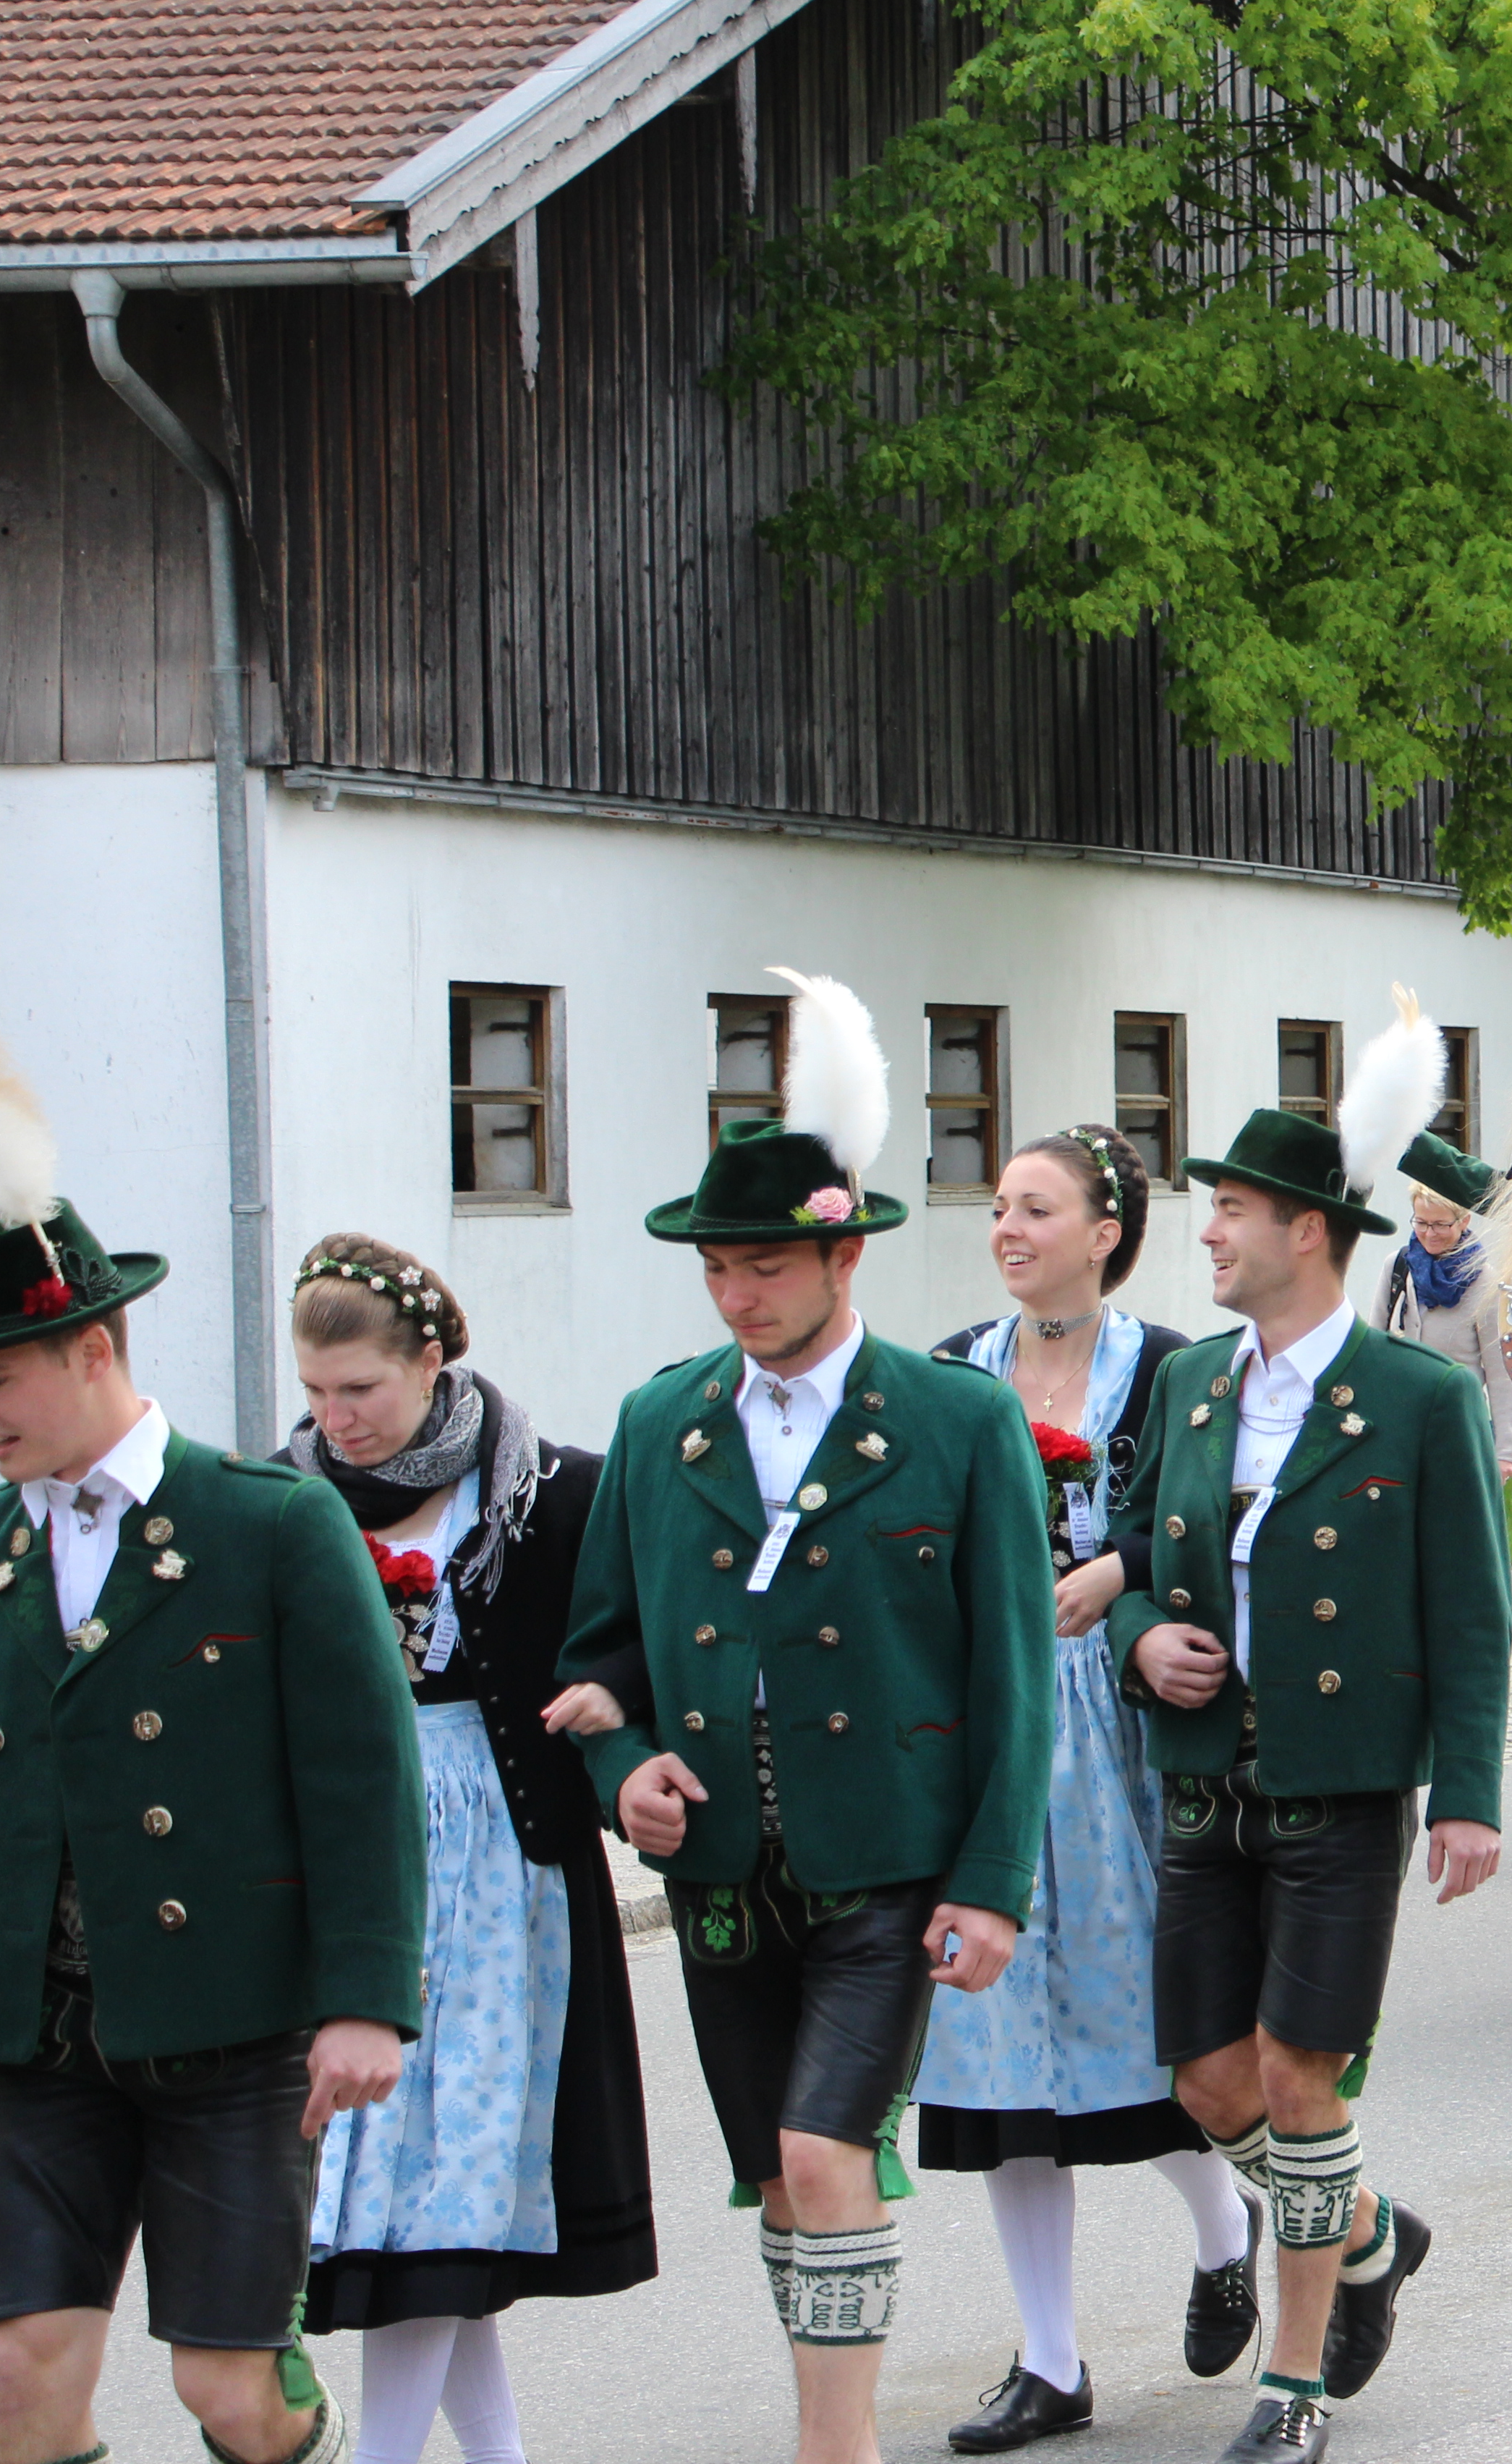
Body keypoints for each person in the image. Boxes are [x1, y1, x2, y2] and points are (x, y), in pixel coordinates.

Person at [0, 986, 426, 2464]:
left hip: (235, 2029)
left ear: (90, 1349)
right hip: (50, 2037)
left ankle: (288, 2420)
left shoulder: (268, 1527)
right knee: (17, 2369)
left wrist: (365, 1998)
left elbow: (357, 1775)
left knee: (229, 2396)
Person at [557, 970, 1056, 2464]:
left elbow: (1013, 1678)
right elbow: (600, 1662)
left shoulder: (958, 1421)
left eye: (763, 1266)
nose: (736, 1295)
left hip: (886, 1852)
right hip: (717, 1862)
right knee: (778, 2186)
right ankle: (827, 2413)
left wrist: (990, 1886)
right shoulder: (660, 1424)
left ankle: (832, 2455)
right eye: (717, 1269)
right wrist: (616, 1770)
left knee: (824, 2154)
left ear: (841, 1258)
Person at [1110, 991, 1512, 2463]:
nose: (1208, 1232)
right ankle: (1365, 2232)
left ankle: (1293, 2389)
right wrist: (1149, 1638)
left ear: (1311, 1233)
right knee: (1205, 2081)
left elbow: (1472, 1610)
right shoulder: (1190, 1385)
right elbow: (1136, 1561)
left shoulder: (1411, 1397)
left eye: (1233, 1210)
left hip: (1345, 1786)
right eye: (1210, 1209)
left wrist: (1467, 1793)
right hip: (1205, 1783)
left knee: (1296, 2075)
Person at [283, 1235, 655, 2464]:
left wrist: (609, 1706)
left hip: (509, 1868)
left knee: (446, 2207)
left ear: (431, 1361)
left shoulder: (552, 1490)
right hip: (359, 1867)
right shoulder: (282, 1508)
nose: (338, 1420)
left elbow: (628, 1639)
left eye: (363, 1391)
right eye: (318, 1391)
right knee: (406, 2209)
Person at [914, 1127, 1260, 2453]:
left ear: (1105, 1231)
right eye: (999, 1206)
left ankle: (1227, 2227)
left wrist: (1116, 1571)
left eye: (1034, 1208)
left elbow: (1205, 1518)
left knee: (1141, 2030)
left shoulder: (1171, 1369)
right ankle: (1050, 2361)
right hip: (989, 1733)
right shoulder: (952, 1371)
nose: (1006, 1228)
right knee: (999, 2054)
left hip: (1113, 1733)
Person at [1376, 1181, 1512, 1470]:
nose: (1429, 1234)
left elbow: (1500, 1371)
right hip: (1399, 1423)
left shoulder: (1485, 1282)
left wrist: (1505, 1452)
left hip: (1458, 1426)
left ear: (1463, 1221)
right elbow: (1374, 1347)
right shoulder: (1397, 1267)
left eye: (1441, 1224)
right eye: (1422, 1223)